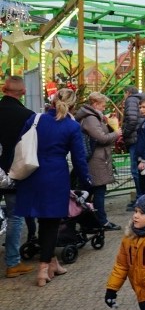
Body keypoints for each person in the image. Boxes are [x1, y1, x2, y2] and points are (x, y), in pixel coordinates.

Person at [14, 88, 92, 287]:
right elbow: (79, 158)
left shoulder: (36, 119)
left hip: (31, 174)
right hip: (55, 176)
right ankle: (43, 269)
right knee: (51, 223)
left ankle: (52, 263)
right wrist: (86, 182)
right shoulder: (71, 126)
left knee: (42, 220)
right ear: (73, 105)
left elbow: (20, 142)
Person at [0, 75, 35, 278]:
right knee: (15, 216)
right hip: (14, 173)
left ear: (4, 90)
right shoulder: (27, 115)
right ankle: (13, 263)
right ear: (22, 92)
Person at [75, 92, 121, 230]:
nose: (104, 108)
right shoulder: (91, 118)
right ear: (95, 104)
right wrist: (116, 133)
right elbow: (101, 138)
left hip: (97, 158)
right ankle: (101, 221)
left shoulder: (91, 117)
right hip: (96, 160)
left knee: (94, 191)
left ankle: (91, 221)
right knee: (99, 190)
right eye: (102, 105)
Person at [122, 86, 145, 208]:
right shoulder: (142, 99)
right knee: (140, 169)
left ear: (128, 92)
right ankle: (141, 196)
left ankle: (139, 198)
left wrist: (124, 132)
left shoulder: (130, 100)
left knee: (135, 169)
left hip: (134, 137)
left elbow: (131, 119)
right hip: (140, 137)